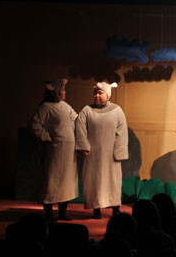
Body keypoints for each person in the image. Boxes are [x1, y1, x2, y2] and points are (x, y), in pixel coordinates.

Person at [75, 81, 129, 219]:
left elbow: (122, 132)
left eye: (100, 93)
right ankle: (96, 209)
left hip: (110, 155)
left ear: (107, 94)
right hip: (93, 154)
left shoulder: (117, 110)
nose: (97, 96)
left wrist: (119, 151)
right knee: (94, 181)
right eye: (95, 93)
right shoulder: (87, 110)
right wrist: (84, 146)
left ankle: (115, 208)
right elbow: (80, 129)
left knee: (113, 181)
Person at [30, 79, 78, 222]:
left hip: (68, 150)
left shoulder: (65, 106)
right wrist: (46, 136)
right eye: (62, 90)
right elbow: (35, 124)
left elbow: (76, 119)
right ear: (56, 92)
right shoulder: (46, 107)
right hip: (55, 150)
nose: (64, 92)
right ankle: (49, 213)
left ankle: (62, 212)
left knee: (66, 181)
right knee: (52, 179)